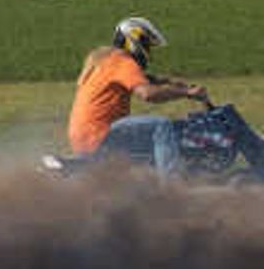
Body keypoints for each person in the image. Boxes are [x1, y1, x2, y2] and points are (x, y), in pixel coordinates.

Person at [67, 16, 212, 175]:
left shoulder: (106, 61)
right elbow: (147, 94)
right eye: (147, 45)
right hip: (101, 133)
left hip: (84, 136)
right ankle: (171, 185)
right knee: (161, 125)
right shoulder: (123, 60)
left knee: (146, 139)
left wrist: (170, 81)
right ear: (134, 40)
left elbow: (142, 79)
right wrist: (187, 93)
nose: (148, 51)